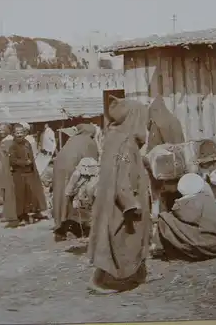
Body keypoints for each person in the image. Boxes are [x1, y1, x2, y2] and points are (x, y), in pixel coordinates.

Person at [88, 97, 150, 294]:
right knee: (125, 238)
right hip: (122, 200)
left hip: (108, 198)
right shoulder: (127, 144)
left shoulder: (113, 137)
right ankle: (107, 281)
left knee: (110, 238)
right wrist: (129, 202)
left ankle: (135, 273)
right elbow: (123, 170)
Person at [155, 173, 216, 261]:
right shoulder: (208, 199)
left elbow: (183, 218)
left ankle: (172, 253)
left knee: (163, 218)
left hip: (197, 249)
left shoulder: (180, 205)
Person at [53, 123, 99, 242]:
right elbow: (93, 162)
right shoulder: (89, 142)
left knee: (61, 195)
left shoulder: (72, 139)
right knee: (75, 196)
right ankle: (73, 226)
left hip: (59, 169)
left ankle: (60, 223)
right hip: (73, 170)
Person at [9, 124, 47, 225]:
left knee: (30, 195)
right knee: (20, 196)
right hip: (19, 174)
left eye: (21, 132)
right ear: (13, 134)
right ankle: (21, 216)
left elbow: (31, 156)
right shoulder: (13, 146)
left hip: (29, 173)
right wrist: (24, 163)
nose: (19, 134)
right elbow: (12, 160)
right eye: (17, 133)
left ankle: (29, 214)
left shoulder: (27, 143)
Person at [0, 124, 19, 229]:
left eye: (2, 129)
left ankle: (10, 215)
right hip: (5, 168)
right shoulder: (6, 140)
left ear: (8, 130)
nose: (0, 131)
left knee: (10, 191)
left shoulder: (8, 141)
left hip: (9, 169)